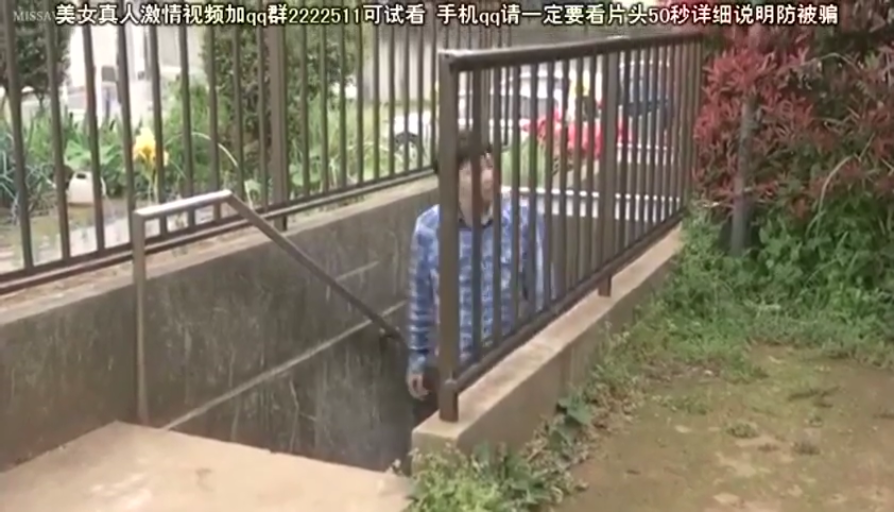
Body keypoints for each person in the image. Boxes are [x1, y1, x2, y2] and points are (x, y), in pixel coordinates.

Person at [406, 131, 548, 422]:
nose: (487, 177)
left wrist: (539, 354)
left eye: (490, 166)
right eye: (473, 172)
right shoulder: (428, 229)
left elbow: (541, 293)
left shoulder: (521, 220)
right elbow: (420, 300)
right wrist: (418, 359)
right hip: (454, 367)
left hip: (506, 359)